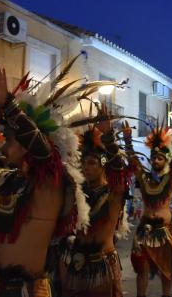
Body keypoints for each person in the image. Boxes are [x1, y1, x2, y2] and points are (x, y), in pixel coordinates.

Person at [0, 61, 91, 297]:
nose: (4, 144)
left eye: (10, 139)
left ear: (26, 145)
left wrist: (8, 106)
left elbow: (44, 152)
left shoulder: (50, 183)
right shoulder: (3, 179)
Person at [60, 107, 133, 297]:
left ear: (103, 164)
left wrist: (108, 136)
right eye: (84, 162)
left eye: (92, 163)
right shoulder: (77, 192)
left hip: (103, 265)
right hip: (76, 264)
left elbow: (119, 171)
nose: (86, 167)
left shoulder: (114, 192)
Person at [130, 124, 172, 297]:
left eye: (159, 158)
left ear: (165, 161)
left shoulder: (170, 180)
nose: (155, 161)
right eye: (153, 158)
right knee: (141, 269)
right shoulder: (145, 178)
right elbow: (134, 164)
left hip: (163, 232)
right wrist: (126, 140)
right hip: (143, 233)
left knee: (166, 270)